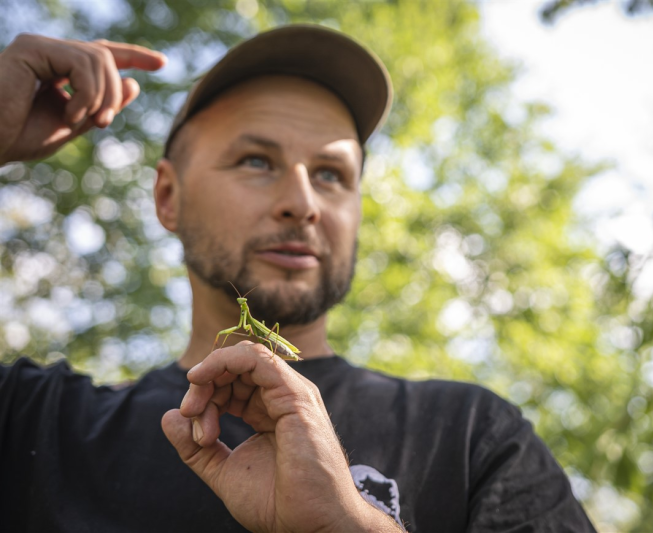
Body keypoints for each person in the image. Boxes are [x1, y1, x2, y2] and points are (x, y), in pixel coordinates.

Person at [0, 25, 596, 532]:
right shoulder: (34, 421)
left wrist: (347, 524)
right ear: (167, 197)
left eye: (333, 173)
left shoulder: (474, 437)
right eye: (256, 161)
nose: (303, 202)